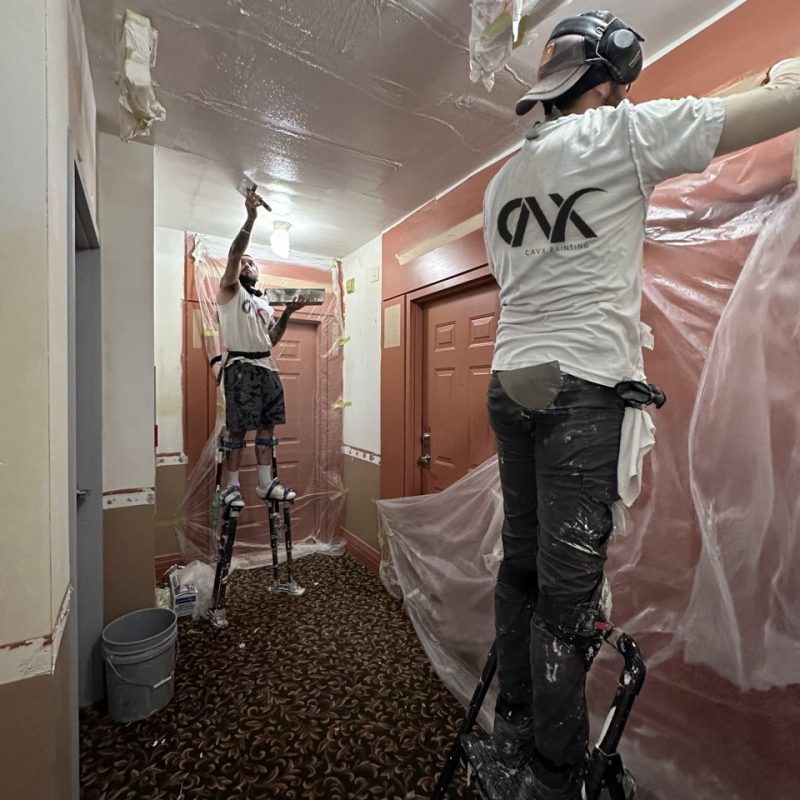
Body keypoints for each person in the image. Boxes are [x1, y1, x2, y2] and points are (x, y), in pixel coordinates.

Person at [483, 9, 800, 799]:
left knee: (519, 567)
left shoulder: (498, 184)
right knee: (566, 601)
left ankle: (513, 729)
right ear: (606, 84)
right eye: (622, 87)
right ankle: (555, 776)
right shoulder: (618, 135)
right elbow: (778, 106)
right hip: (578, 392)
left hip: (510, 382)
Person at [216, 189, 306, 508]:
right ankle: (231, 487)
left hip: (267, 367)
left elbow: (272, 340)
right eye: (245, 262)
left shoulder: (262, 303)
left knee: (268, 424)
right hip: (240, 368)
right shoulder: (230, 291)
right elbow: (233, 255)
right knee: (239, 428)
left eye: (253, 263)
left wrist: (288, 313)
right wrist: (251, 217)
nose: (248, 265)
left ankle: (266, 485)